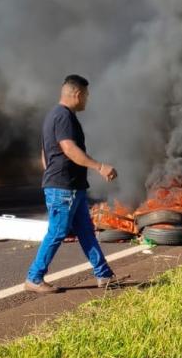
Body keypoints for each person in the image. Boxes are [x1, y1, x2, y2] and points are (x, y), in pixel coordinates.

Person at [25, 74, 120, 293]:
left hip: (71, 186)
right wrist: (99, 166)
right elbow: (68, 148)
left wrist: (51, 172)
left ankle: (104, 275)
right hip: (63, 188)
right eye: (86, 95)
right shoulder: (63, 116)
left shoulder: (55, 116)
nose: (87, 99)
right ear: (77, 94)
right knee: (57, 232)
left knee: (86, 232)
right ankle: (34, 277)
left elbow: (45, 152)